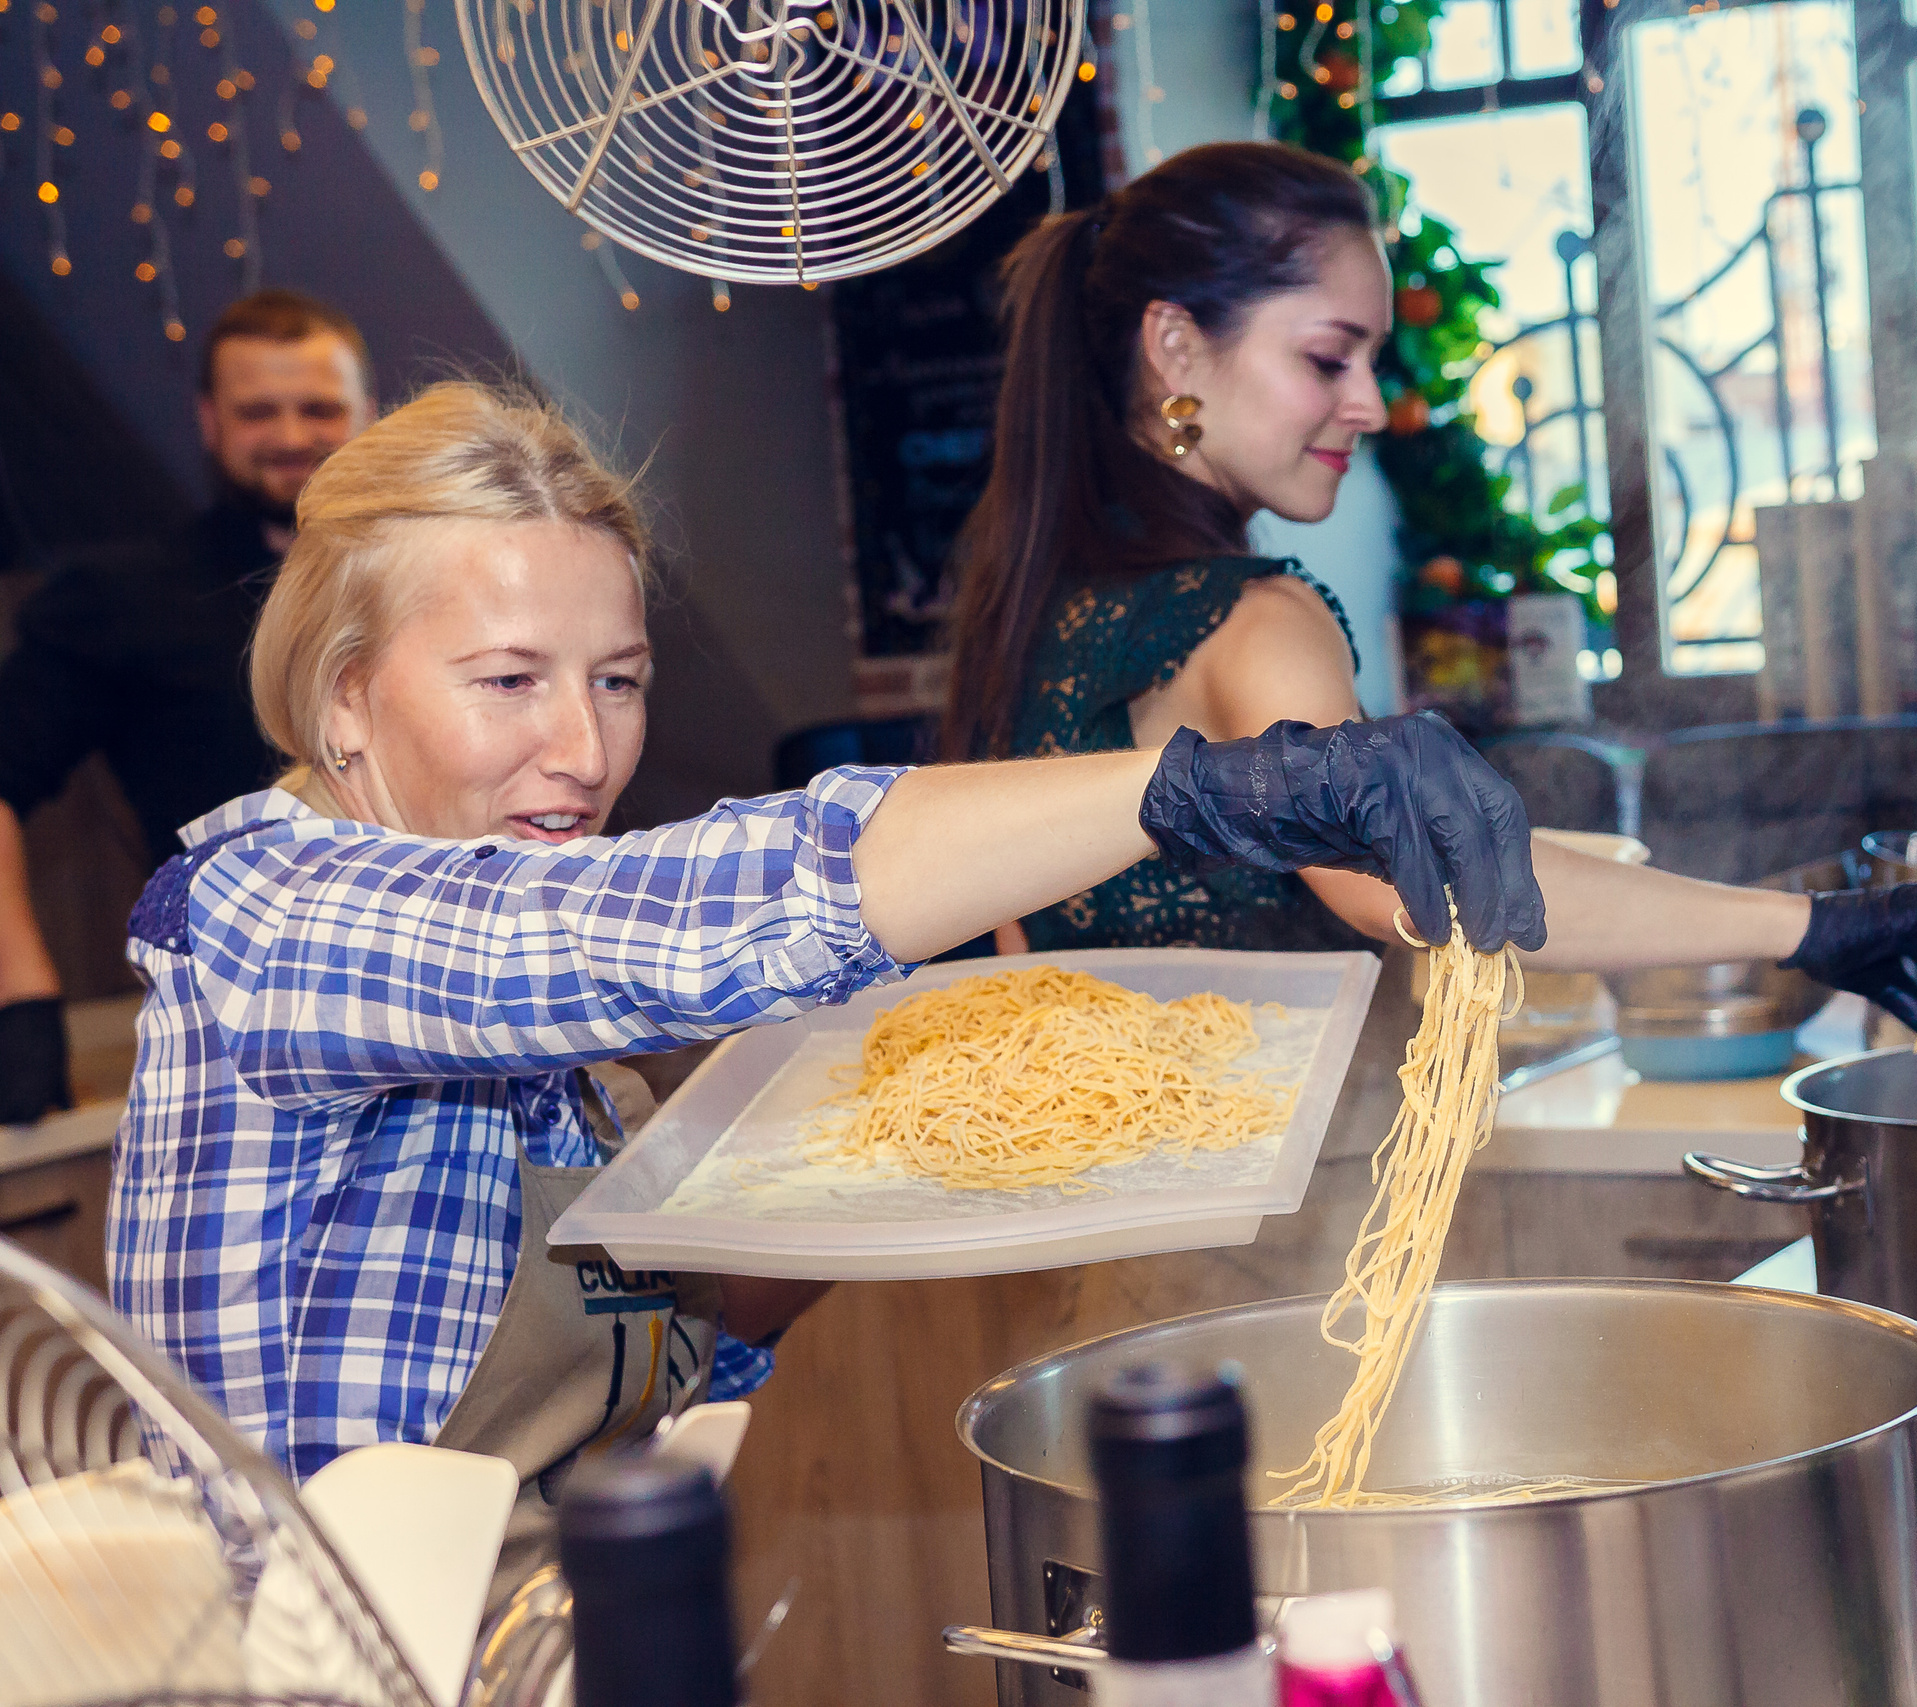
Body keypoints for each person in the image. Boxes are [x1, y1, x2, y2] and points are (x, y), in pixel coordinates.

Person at [112, 380, 1541, 1592]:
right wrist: (1203, 789)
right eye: (508, 681)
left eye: (617, 679)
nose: (584, 751)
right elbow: (647, 921)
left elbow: (679, 1342)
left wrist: (901, 1164)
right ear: (345, 696)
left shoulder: (567, 1056)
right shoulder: (266, 917)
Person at [941, 142, 1917, 1062]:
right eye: (1328, 359)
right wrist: (1809, 924)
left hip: (1107, 1214)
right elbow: (1439, 879)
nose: (1370, 404)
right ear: (1177, 347)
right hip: (1265, 1216)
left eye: (1373, 358)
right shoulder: (1252, 621)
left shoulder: (1035, 613)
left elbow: (1019, 954)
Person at [0, 289, 376, 1123]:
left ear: (369, 412)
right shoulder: (124, 600)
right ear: (210, 421)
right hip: (239, 1049)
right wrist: (20, 1000)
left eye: (319, 408)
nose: (291, 435)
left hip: (453, 993)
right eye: (258, 411)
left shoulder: (444, 585)